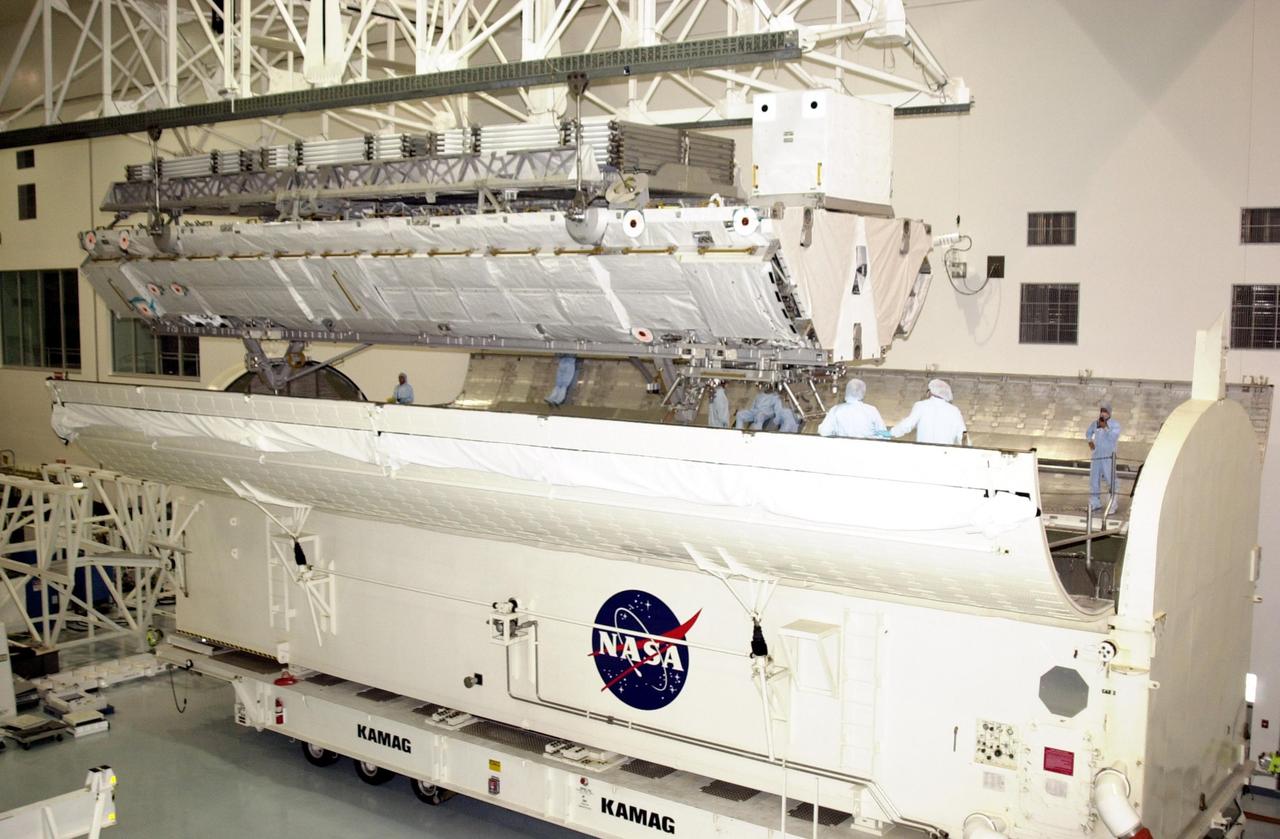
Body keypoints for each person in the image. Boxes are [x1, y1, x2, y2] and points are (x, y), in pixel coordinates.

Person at [891, 378, 967, 445]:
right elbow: (963, 435)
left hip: (924, 453)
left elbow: (907, 424)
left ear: (929, 392)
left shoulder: (921, 405)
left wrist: (891, 433)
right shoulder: (954, 410)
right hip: (945, 454)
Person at [818, 378, 888, 439]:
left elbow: (824, 432)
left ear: (847, 391)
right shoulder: (871, 410)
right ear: (863, 392)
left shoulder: (836, 410)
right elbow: (884, 436)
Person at [1086, 401, 1122, 514]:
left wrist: (1105, 427)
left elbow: (1113, 437)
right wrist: (1091, 444)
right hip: (1096, 457)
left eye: (1105, 411)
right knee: (1094, 479)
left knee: (1111, 480)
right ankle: (1095, 502)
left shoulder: (1115, 425)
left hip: (1108, 457)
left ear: (1109, 413)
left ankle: (1112, 504)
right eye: (1102, 411)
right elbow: (1088, 433)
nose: (1103, 413)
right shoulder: (1095, 423)